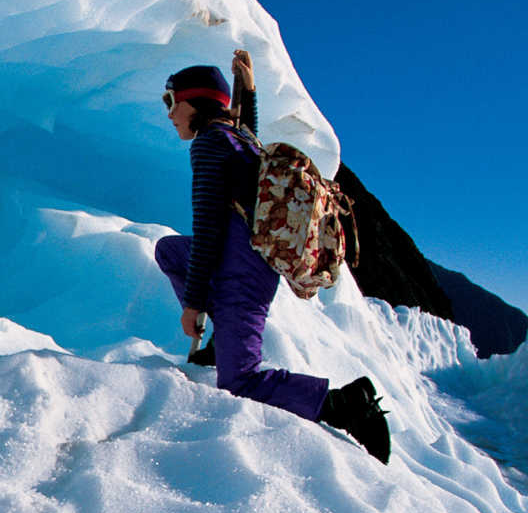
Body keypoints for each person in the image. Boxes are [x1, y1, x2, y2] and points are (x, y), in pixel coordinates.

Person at [153, 50, 392, 463]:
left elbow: (209, 227)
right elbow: (247, 125)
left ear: (197, 102)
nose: (170, 113)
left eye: (172, 102)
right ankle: (220, 342)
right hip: (246, 260)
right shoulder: (238, 138)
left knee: (240, 381)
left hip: (241, 273)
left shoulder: (210, 144)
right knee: (169, 251)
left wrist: (193, 305)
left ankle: (346, 405)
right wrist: (247, 88)